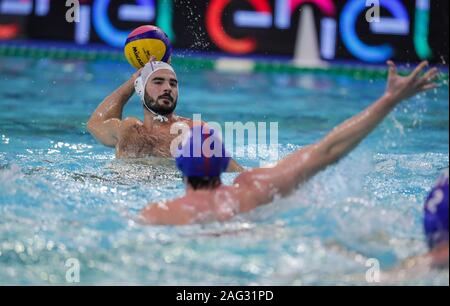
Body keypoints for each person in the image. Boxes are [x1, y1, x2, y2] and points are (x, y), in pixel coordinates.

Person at [140, 61, 439, 226]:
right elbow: (329, 149)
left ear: (179, 165)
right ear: (223, 161)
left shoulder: (159, 213)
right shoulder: (254, 188)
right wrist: (389, 100)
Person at [87, 60, 243, 171]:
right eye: (158, 82)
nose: (167, 88)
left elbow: (235, 172)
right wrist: (133, 81)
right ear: (140, 89)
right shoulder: (128, 129)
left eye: (173, 84)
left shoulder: (193, 130)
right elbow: (95, 123)